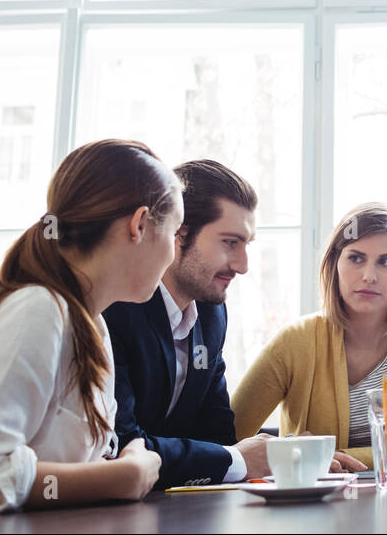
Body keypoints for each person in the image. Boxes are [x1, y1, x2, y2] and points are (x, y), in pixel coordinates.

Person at [0, 140, 176, 523]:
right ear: (139, 225)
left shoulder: (93, 328)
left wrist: (114, 465)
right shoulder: (38, 310)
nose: (174, 252)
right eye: (174, 233)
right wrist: (123, 476)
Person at [231, 202, 387, 471]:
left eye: (386, 261)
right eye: (355, 258)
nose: (369, 276)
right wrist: (289, 451)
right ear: (334, 264)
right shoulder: (295, 341)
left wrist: (325, 456)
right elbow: (223, 441)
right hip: (318, 508)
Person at [105, 159, 271, 489]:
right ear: (179, 232)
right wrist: (235, 459)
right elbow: (122, 446)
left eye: (246, 245)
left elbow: (216, 438)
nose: (242, 265)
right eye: (230, 242)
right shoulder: (115, 308)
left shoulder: (212, 315)